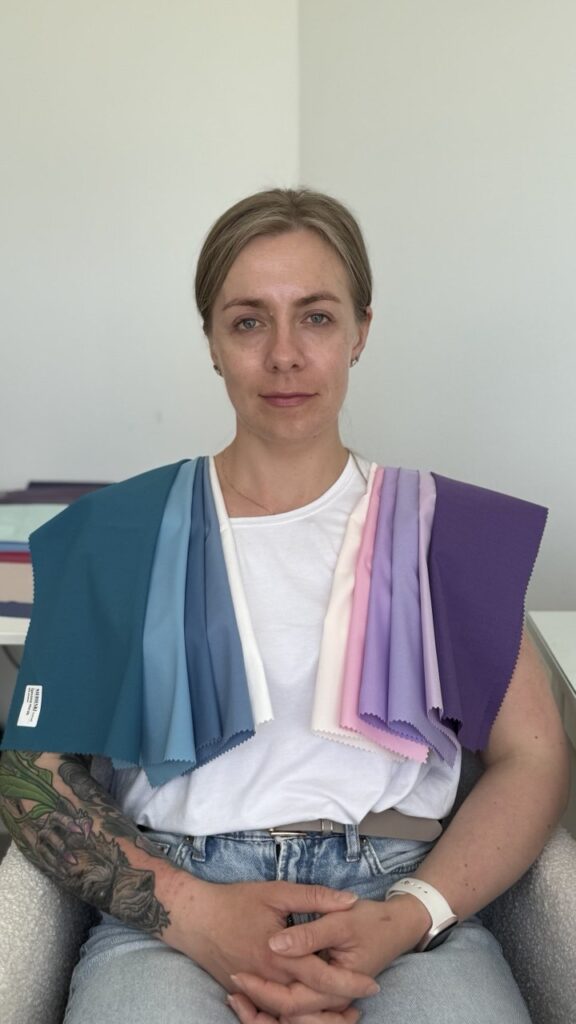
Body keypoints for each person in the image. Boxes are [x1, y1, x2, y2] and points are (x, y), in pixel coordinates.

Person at [0, 188, 569, 1024]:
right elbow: (30, 772)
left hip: (398, 905)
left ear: (360, 331)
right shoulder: (114, 534)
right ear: (211, 341)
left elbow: (535, 755)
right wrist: (195, 915)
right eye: (248, 322)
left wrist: (410, 915)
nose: (285, 356)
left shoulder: (442, 532)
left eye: (317, 317)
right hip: (171, 913)